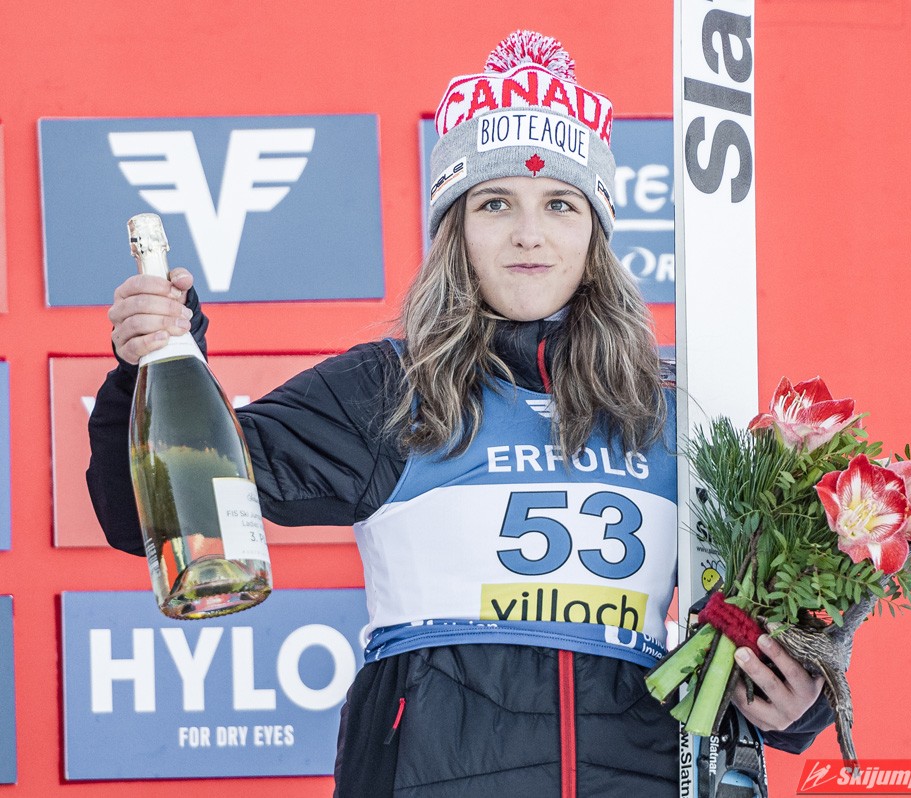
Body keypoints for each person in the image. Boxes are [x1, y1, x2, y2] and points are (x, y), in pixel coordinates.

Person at [87, 30, 833, 798]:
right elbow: (144, 509)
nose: (529, 234)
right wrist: (154, 363)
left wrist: (798, 700)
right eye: (495, 203)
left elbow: (756, 621)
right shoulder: (387, 390)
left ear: (595, 232)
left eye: (560, 204)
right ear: (457, 229)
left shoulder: (673, 407)